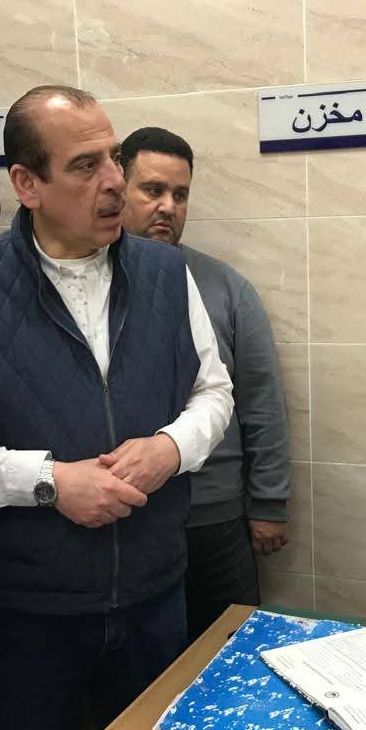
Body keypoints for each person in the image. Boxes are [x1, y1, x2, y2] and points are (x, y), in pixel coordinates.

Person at [0, 84, 234, 730]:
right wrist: (49, 481)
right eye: (85, 166)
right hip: (28, 611)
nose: (114, 181)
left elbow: (214, 393)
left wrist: (170, 448)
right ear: (28, 184)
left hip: (151, 592)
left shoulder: (165, 273)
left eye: (113, 157)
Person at [120, 126, 290, 639]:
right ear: (116, 187)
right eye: (153, 190)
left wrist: (269, 504)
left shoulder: (225, 287)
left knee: (230, 647)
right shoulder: (89, 285)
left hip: (215, 517)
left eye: (180, 194)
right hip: (125, 518)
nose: (168, 207)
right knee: (149, 659)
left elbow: (261, 400)